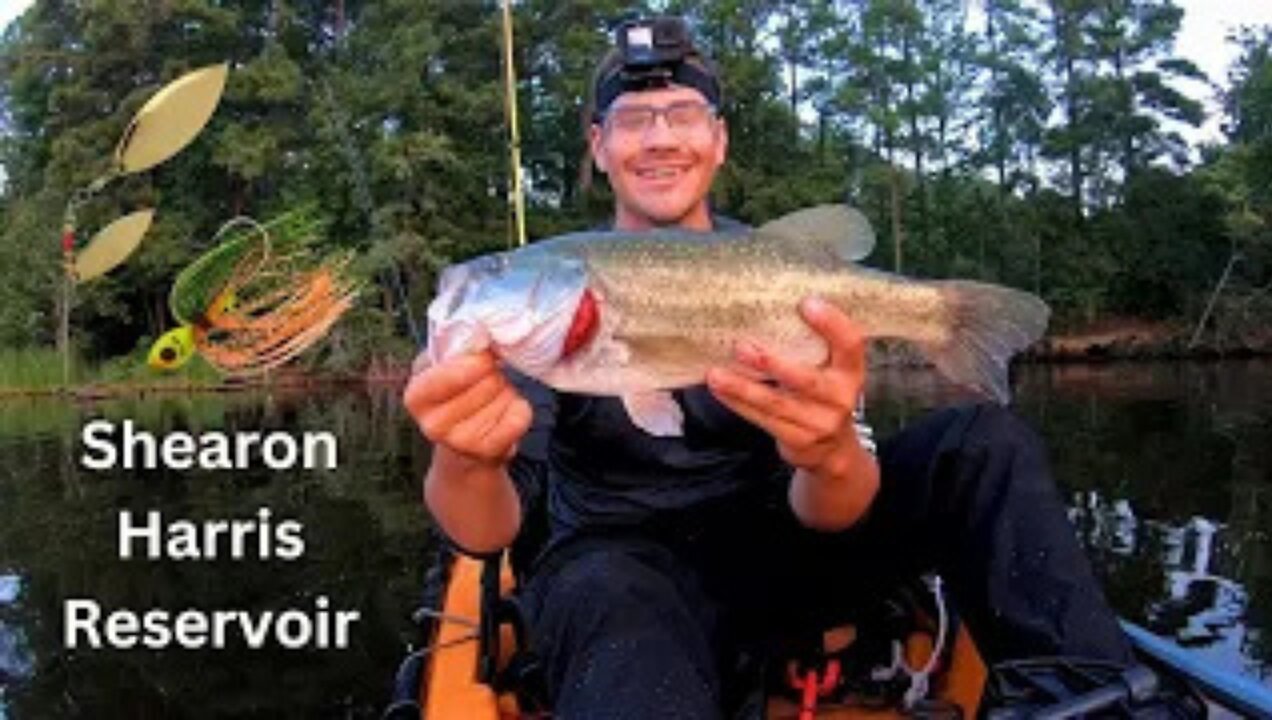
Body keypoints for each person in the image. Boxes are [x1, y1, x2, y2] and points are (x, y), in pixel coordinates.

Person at [403, 15, 1133, 719]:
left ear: (718, 141)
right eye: (632, 119)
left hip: (783, 556)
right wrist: (465, 459)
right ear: (598, 146)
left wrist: (828, 453)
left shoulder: (780, 274)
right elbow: (487, 531)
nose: (659, 138)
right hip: (619, 574)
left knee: (984, 446)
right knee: (609, 601)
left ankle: (1092, 706)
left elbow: (835, 506)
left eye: (683, 113)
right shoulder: (554, 308)